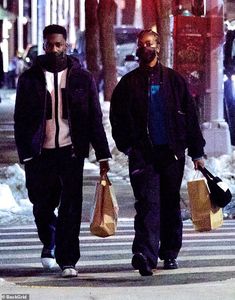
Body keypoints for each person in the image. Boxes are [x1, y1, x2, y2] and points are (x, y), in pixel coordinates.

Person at [14, 24, 111, 278]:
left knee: (71, 206)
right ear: (44, 45)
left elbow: (93, 118)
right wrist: (25, 151)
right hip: (39, 153)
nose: (55, 49)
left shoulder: (82, 77)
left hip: (71, 151)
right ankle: (50, 239)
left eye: (59, 45)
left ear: (66, 45)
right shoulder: (29, 78)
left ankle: (68, 259)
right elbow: (20, 119)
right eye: (50, 45)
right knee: (41, 205)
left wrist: (102, 154)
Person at [110, 29, 205, 276]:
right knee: (147, 204)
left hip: (171, 154)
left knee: (170, 203)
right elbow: (117, 119)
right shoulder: (128, 84)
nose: (145, 48)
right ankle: (145, 254)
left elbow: (191, 118)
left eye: (149, 44)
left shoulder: (175, 81)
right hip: (143, 155)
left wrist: (197, 152)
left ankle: (170, 252)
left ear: (159, 47)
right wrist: (127, 146)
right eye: (141, 44)